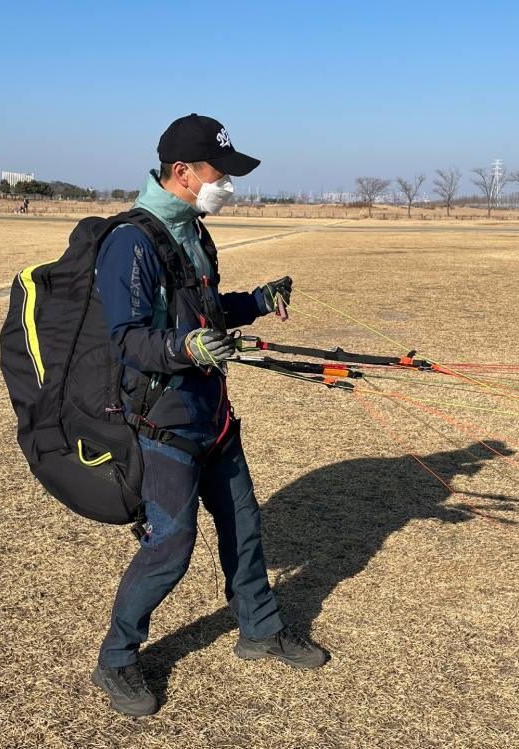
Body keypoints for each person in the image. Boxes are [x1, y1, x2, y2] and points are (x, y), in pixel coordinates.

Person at [91, 114, 325, 717]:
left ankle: (260, 630)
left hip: (213, 414)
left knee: (244, 525)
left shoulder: (193, 230)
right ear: (183, 172)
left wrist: (256, 301)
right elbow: (126, 337)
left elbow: (205, 307)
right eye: (220, 173)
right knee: (171, 546)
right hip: (163, 422)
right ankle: (116, 658)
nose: (227, 185)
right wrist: (185, 348)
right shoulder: (130, 241)